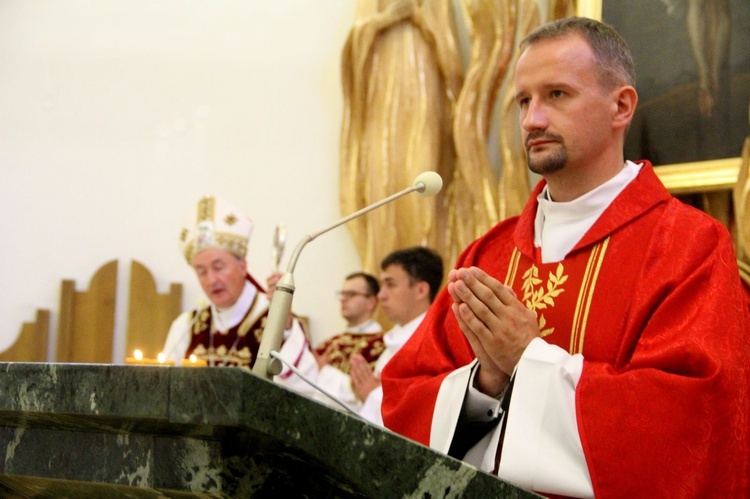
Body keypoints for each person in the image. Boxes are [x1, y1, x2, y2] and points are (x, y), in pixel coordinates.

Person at [381, 16, 750, 498]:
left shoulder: (689, 246)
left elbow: (696, 422)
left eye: (556, 95)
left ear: (621, 106)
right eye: (523, 101)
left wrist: (526, 359)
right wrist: (482, 386)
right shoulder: (489, 255)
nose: (532, 120)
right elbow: (405, 395)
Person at [162, 195, 318, 397]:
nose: (211, 280)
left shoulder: (274, 320)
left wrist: (284, 328)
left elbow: (304, 390)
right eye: (201, 271)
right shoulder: (187, 326)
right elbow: (165, 392)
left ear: (242, 267)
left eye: (218, 267)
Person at [351, 246, 443, 425]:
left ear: (420, 290)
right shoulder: (395, 340)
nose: (381, 295)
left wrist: (373, 397)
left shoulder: (435, 344)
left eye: (390, 284)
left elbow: (424, 416)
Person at [311, 272, 384, 411]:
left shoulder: (380, 346)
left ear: (371, 302)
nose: (343, 299)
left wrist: (323, 371)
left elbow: (361, 396)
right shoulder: (330, 342)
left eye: (351, 294)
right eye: (342, 294)